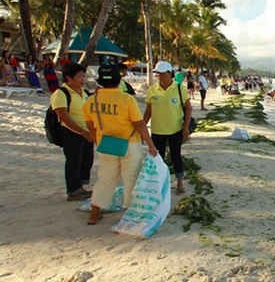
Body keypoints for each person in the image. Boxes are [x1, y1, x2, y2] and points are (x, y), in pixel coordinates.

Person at [83, 64, 158, 225]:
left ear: (100, 82)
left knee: (105, 179)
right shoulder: (126, 99)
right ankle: (130, 213)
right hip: (130, 144)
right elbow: (139, 124)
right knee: (130, 179)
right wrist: (151, 145)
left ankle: (95, 213)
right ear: (119, 80)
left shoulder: (91, 100)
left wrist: (97, 141)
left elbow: (90, 125)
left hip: (106, 144)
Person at [144, 61, 192, 194]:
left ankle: (180, 183)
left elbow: (188, 108)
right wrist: (142, 128)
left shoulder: (179, 88)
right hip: (157, 131)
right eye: (157, 74)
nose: (159, 76)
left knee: (176, 156)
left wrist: (186, 127)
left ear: (170, 73)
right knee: (158, 159)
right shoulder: (152, 90)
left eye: (162, 74)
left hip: (175, 130)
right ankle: (160, 184)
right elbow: (148, 111)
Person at [51, 63, 94, 201]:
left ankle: (80, 187)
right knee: (73, 161)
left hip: (86, 131)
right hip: (71, 132)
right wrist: (81, 131)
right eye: (80, 76)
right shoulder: (61, 93)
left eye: (84, 76)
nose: (83, 79)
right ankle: (73, 190)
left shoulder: (84, 93)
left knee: (86, 160)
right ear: (69, 78)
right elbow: (63, 116)